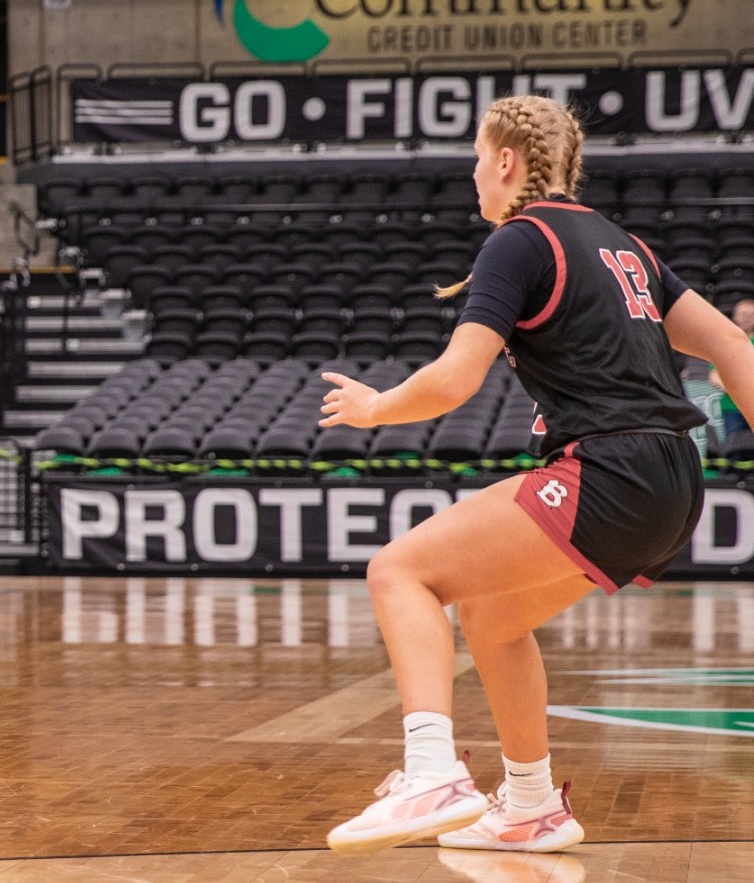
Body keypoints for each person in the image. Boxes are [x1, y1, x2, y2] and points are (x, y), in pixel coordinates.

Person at [319, 95, 754, 856]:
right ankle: (529, 804)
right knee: (492, 617)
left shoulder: (519, 240)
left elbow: (455, 380)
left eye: (475, 163)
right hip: (676, 479)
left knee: (399, 571)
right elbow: (730, 344)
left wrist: (373, 407)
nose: (474, 179)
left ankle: (429, 771)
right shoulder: (625, 246)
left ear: (506, 162)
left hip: (610, 467)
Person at [708, 299, 754, 440]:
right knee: (734, 446)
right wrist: (740, 389)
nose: (747, 318)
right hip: (730, 407)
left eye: (751, 315)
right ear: (735, 316)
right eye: (743, 314)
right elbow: (714, 375)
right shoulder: (725, 342)